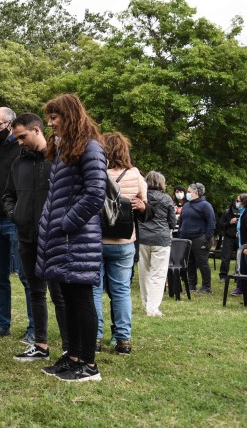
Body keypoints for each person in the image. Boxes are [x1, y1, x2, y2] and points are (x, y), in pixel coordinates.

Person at [35, 93, 107, 382]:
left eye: (55, 117)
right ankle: (73, 356)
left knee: (81, 299)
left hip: (76, 238)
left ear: (70, 117)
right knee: (68, 296)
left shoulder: (91, 147)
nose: (51, 123)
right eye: (50, 118)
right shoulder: (66, 149)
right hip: (64, 238)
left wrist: (66, 223)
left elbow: (95, 194)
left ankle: (88, 366)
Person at [2, 113, 68, 363]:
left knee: (59, 294)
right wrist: (15, 214)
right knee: (35, 291)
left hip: (54, 237)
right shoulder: (18, 164)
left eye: (22, 137)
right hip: (26, 236)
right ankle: (41, 345)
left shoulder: (59, 160)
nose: (19, 142)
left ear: (37, 130)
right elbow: (8, 195)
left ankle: (68, 348)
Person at [0, 107, 33, 342]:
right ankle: (3, 324)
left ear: (10, 124)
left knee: (25, 275)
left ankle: (34, 328)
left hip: (15, 221)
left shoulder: (22, 149)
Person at [96, 132, 145, 356]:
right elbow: (144, 204)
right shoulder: (135, 174)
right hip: (124, 240)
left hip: (96, 239)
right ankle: (123, 339)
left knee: (94, 290)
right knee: (122, 291)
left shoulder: (97, 173)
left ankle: (95, 336)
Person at [138, 171, 176, 317]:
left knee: (144, 273)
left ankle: (146, 303)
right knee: (158, 275)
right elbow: (172, 222)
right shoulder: (166, 199)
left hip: (142, 238)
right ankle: (152, 308)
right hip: (161, 239)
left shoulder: (142, 197)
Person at [178, 183, 216, 295]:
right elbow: (181, 221)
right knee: (190, 262)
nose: (187, 193)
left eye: (189, 191)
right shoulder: (186, 205)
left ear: (196, 193)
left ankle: (206, 286)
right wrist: (181, 231)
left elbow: (211, 222)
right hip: (186, 239)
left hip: (199, 238)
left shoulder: (205, 205)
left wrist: (206, 238)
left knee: (202, 262)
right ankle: (191, 284)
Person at [216, 195, 242, 282]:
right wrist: (229, 222)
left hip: (240, 237)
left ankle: (238, 276)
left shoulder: (245, 212)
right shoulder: (227, 212)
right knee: (225, 258)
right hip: (228, 237)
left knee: (240, 258)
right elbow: (220, 225)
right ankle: (223, 276)